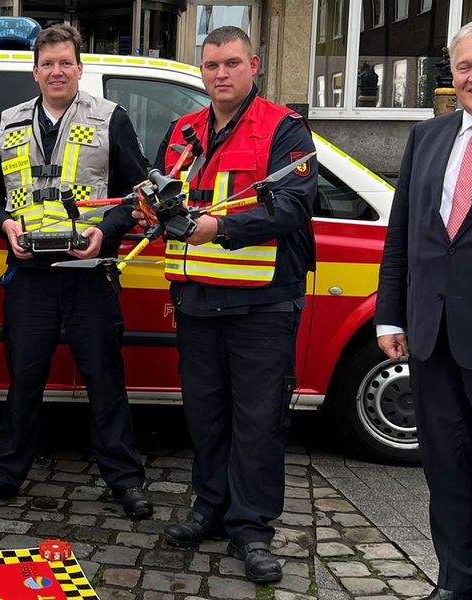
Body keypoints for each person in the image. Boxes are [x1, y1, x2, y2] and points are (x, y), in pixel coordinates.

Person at [139, 26, 317, 583]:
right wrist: (147, 207)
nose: (221, 74)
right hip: (196, 300)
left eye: (232, 63)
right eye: (211, 65)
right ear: (201, 69)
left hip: (262, 303)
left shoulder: (284, 130)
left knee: (259, 420)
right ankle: (208, 507)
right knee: (206, 414)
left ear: (254, 65)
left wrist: (218, 227)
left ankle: (252, 528)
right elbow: (165, 191)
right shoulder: (182, 129)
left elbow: (293, 204)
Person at [0, 23, 153, 519]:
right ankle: (4, 476)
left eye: (64, 63)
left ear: (79, 67)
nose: (56, 71)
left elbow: (140, 192)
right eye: (47, 64)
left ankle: (126, 481)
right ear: (34, 71)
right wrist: (4, 224)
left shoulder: (110, 117)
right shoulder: (8, 122)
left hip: (88, 271)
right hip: (29, 276)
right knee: (23, 382)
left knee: (105, 380)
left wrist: (105, 232)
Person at [376, 18, 472, 600]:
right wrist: (390, 315)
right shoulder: (428, 137)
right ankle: (457, 581)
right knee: (446, 468)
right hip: (431, 335)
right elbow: (404, 235)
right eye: (465, 66)